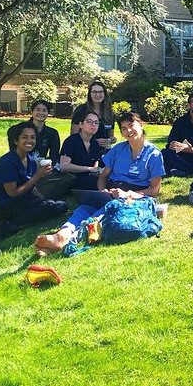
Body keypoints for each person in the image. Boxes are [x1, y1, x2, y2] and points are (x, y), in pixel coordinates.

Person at [34, 112, 164, 255]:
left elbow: (155, 190)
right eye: (123, 128)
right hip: (112, 190)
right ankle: (62, 233)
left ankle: (65, 239)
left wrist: (129, 194)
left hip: (134, 196)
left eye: (131, 125)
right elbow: (103, 177)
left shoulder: (154, 154)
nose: (128, 130)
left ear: (141, 125)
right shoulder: (118, 149)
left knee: (105, 211)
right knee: (85, 208)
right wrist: (102, 191)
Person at [0, 122, 68, 243]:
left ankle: (12, 222)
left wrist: (42, 198)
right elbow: (13, 193)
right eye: (25, 137)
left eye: (33, 137)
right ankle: (7, 228)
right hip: (5, 204)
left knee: (60, 206)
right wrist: (37, 176)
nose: (29, 141)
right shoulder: (8, 162)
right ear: (16, 141)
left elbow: (30, 184)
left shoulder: (29, 158)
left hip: (24, 199)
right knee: (48, 208)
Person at [57, 111, 105, 190]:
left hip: (88, 179)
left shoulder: (95, 144)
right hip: (71, 180)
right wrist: (88, 169)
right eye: (89, 121)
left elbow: (95, 165)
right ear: (81, 125)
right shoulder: (71, 141)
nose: (93, 125)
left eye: (96, 123)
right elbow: (64, 166)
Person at [70, 80, 116, 150]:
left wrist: (112, 139)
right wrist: (94, 142)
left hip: (104, 152)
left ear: (105, 94)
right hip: (84, 151)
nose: (98, 95)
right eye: (94, 92)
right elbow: (73, 137)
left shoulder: (109, 112)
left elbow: (110, 135)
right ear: (89, 94)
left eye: (100, 92)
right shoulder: (81, 110)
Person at [26, 99, 60, 164]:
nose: (41, 113)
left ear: (48, 113)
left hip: (42, 165)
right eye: (38, 110)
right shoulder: (21, 130)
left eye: (44, 110)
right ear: (32, 112)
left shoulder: (52, 133)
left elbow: (54, 155)